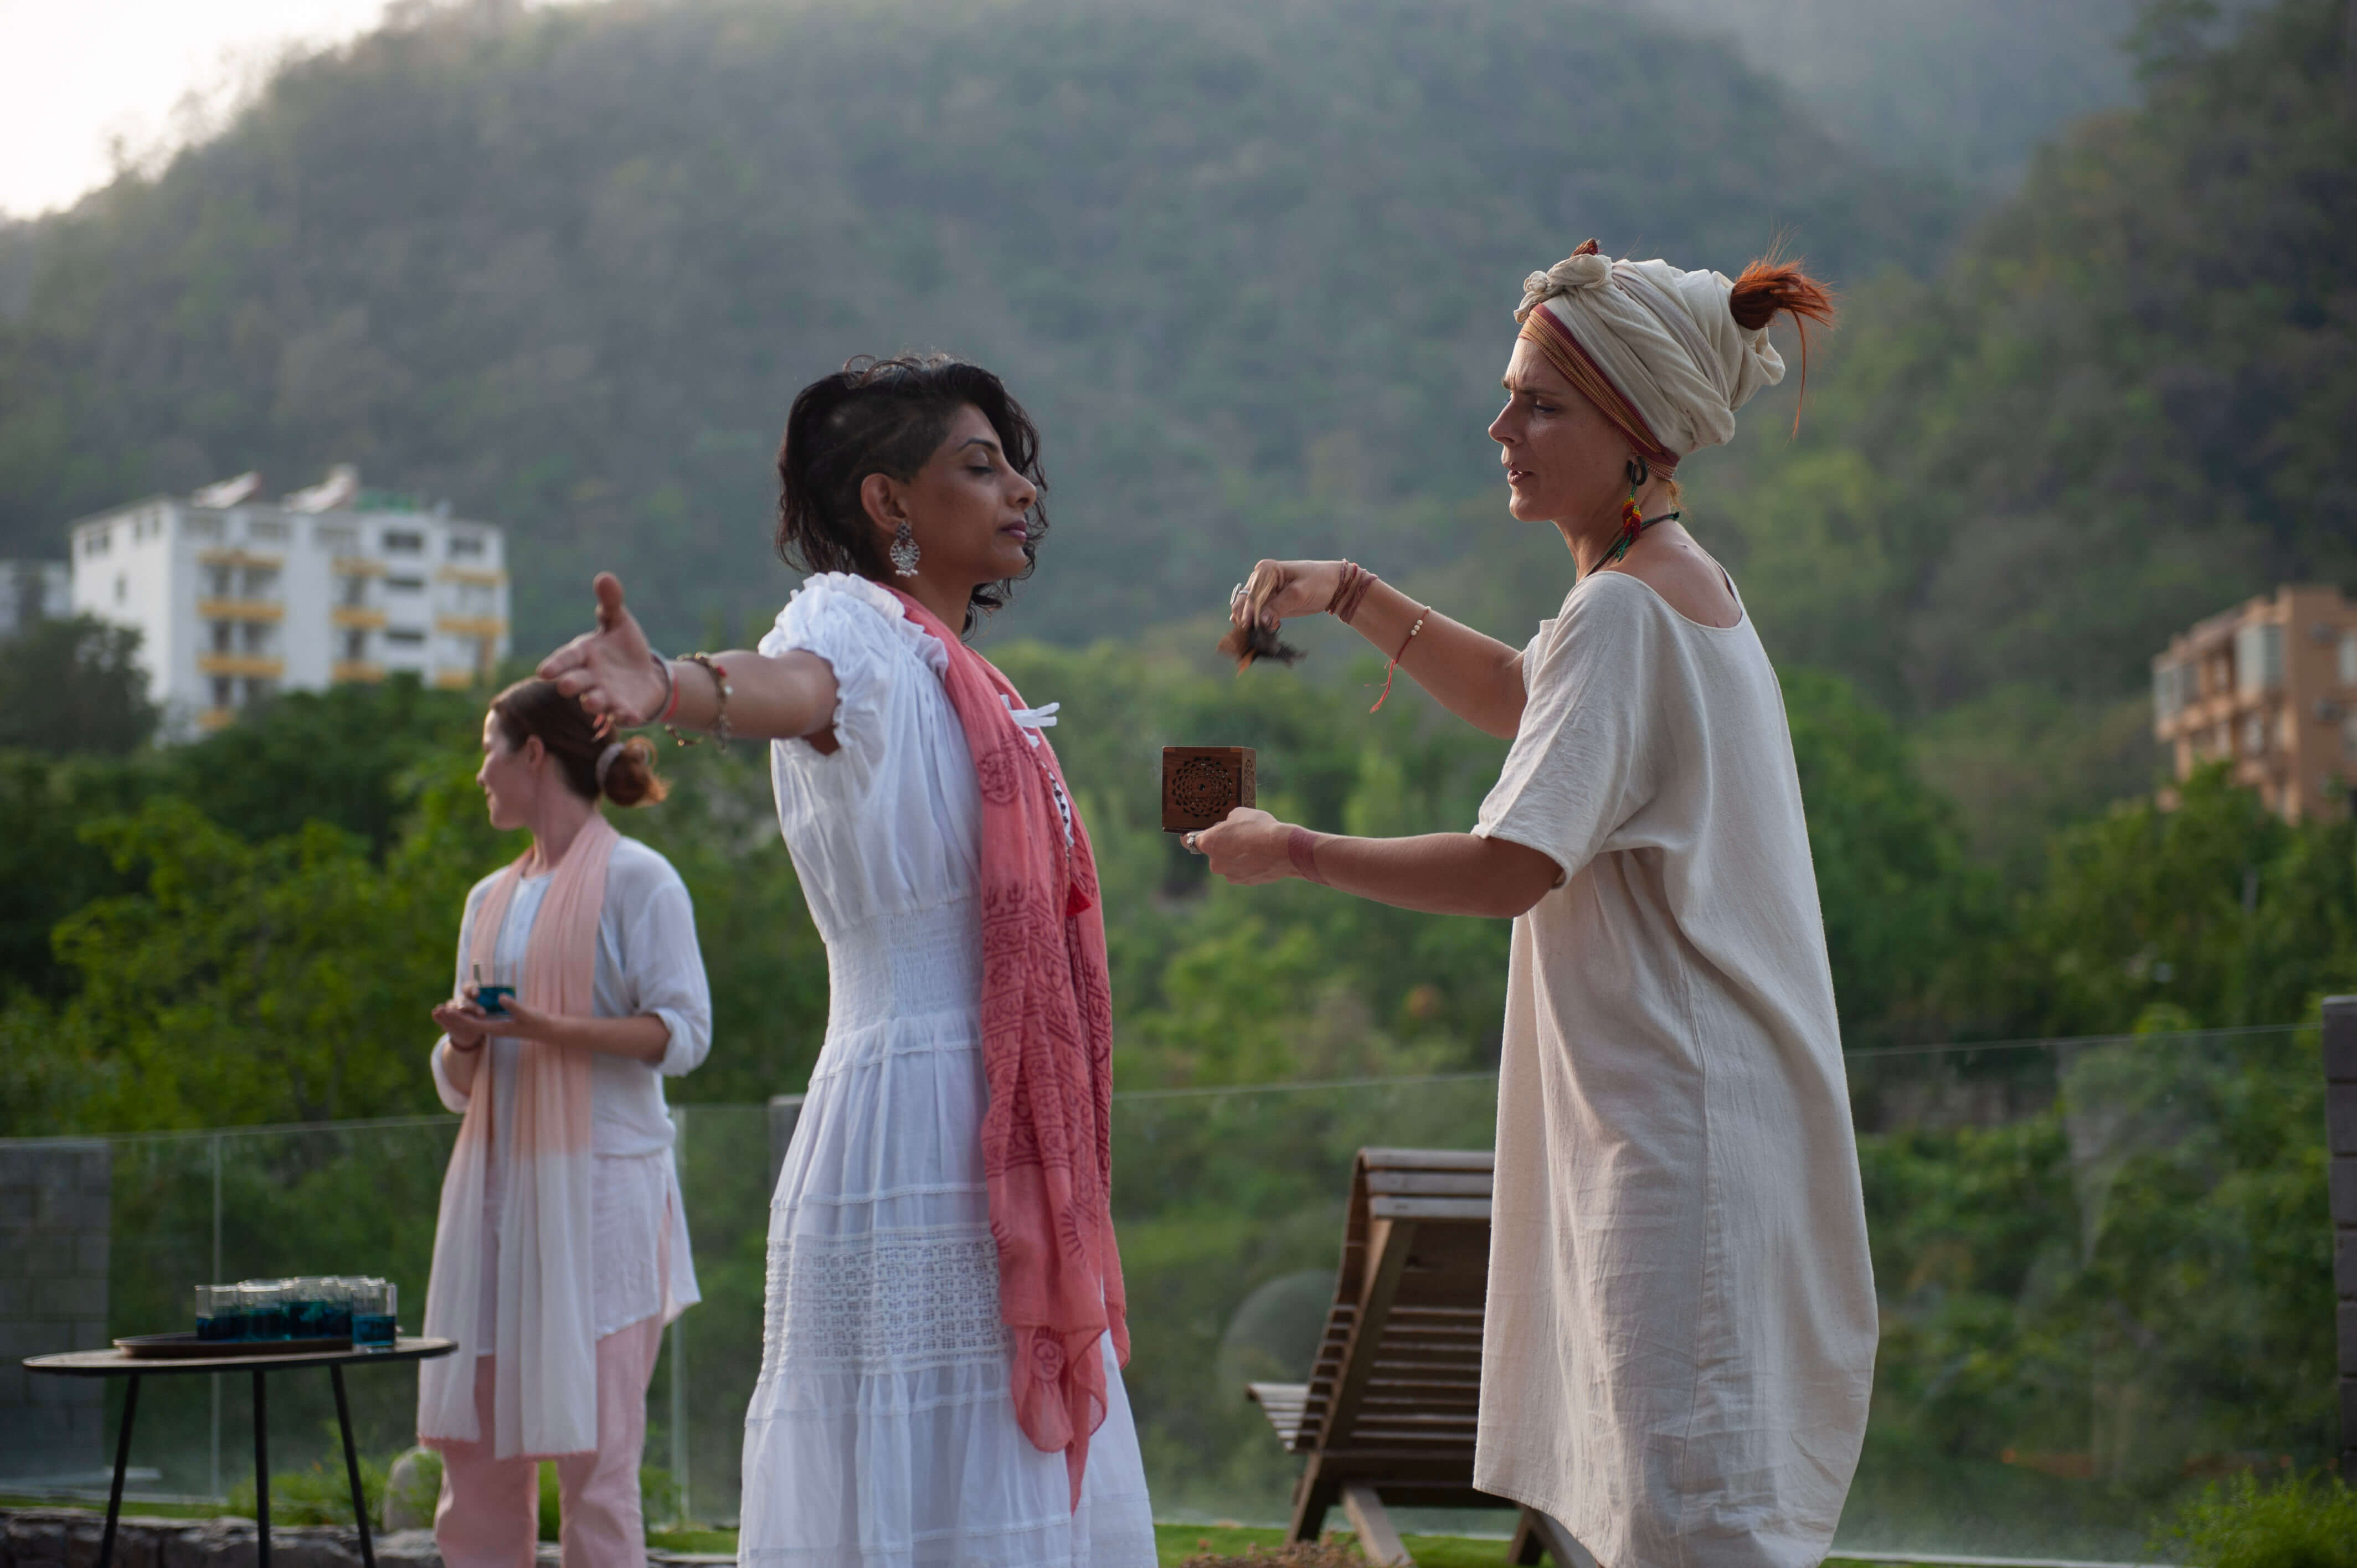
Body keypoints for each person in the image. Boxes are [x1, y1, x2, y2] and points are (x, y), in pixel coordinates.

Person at [1192, 242, 1879, 1567]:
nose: (1500, 427)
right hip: (1709, 1135)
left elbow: (1516, 862)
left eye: (1539, 404)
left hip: (1674, 1150)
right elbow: (1535, 703)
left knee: (1685, 1529)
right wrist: (1350, 591)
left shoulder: (1624, 616)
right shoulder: (1678, 590)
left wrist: (1297, 850)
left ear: (1638, 434)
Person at [534, 354, 1156, 1568]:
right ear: (888, 505)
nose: (1020, 490)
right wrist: (668, 686)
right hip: (917, 1117)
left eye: (1018, 465)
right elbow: (786, 690)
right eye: (979, 468)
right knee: (926, 1471)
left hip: (993, 1104)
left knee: (1001, 1459)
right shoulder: (850, 626)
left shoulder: (965, 675)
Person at [418, 679, 712, 1568]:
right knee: (474, 1470)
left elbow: (684, 1035)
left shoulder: (639, 880)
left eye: (489, 748)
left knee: (598, 1475)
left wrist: (547, 1029)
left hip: (603, 1206)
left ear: (534, 754)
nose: (480, 773)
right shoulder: (487, 899)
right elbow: (459, 1086)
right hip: (498, 1204)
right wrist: (467, 1040)